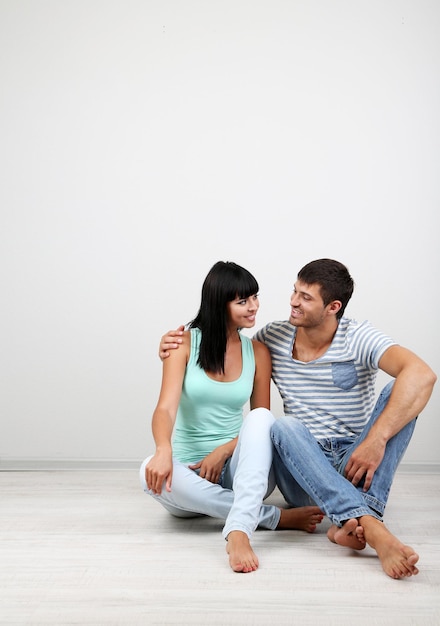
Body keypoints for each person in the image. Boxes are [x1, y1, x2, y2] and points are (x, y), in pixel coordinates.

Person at [159, 258, 436, 579]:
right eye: (295, 291)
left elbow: (423, 375)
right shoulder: (271, 338)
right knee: (284, 426)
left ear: (333, 307)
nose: (292, 301)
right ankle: (371, 525)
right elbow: (224, 343)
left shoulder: (358, 336)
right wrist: (171, 345)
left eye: (305, 297)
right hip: (300, 467)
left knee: (402, 393)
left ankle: (349, 523)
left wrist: (376, 440)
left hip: (354, 461)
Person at [140, 261, 323, 574]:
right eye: (243, 301)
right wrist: (163, 450)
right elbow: (165, 408)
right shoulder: (182, 344)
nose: (254, 307)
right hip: (188, 472)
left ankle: (238, 531)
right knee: (146, 471)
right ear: (218, 304)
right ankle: (272, 517)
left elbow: (260, 422)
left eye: (254, 298)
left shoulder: (258, 352)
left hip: (240, 472)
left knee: (265, 418)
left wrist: (224, 450)